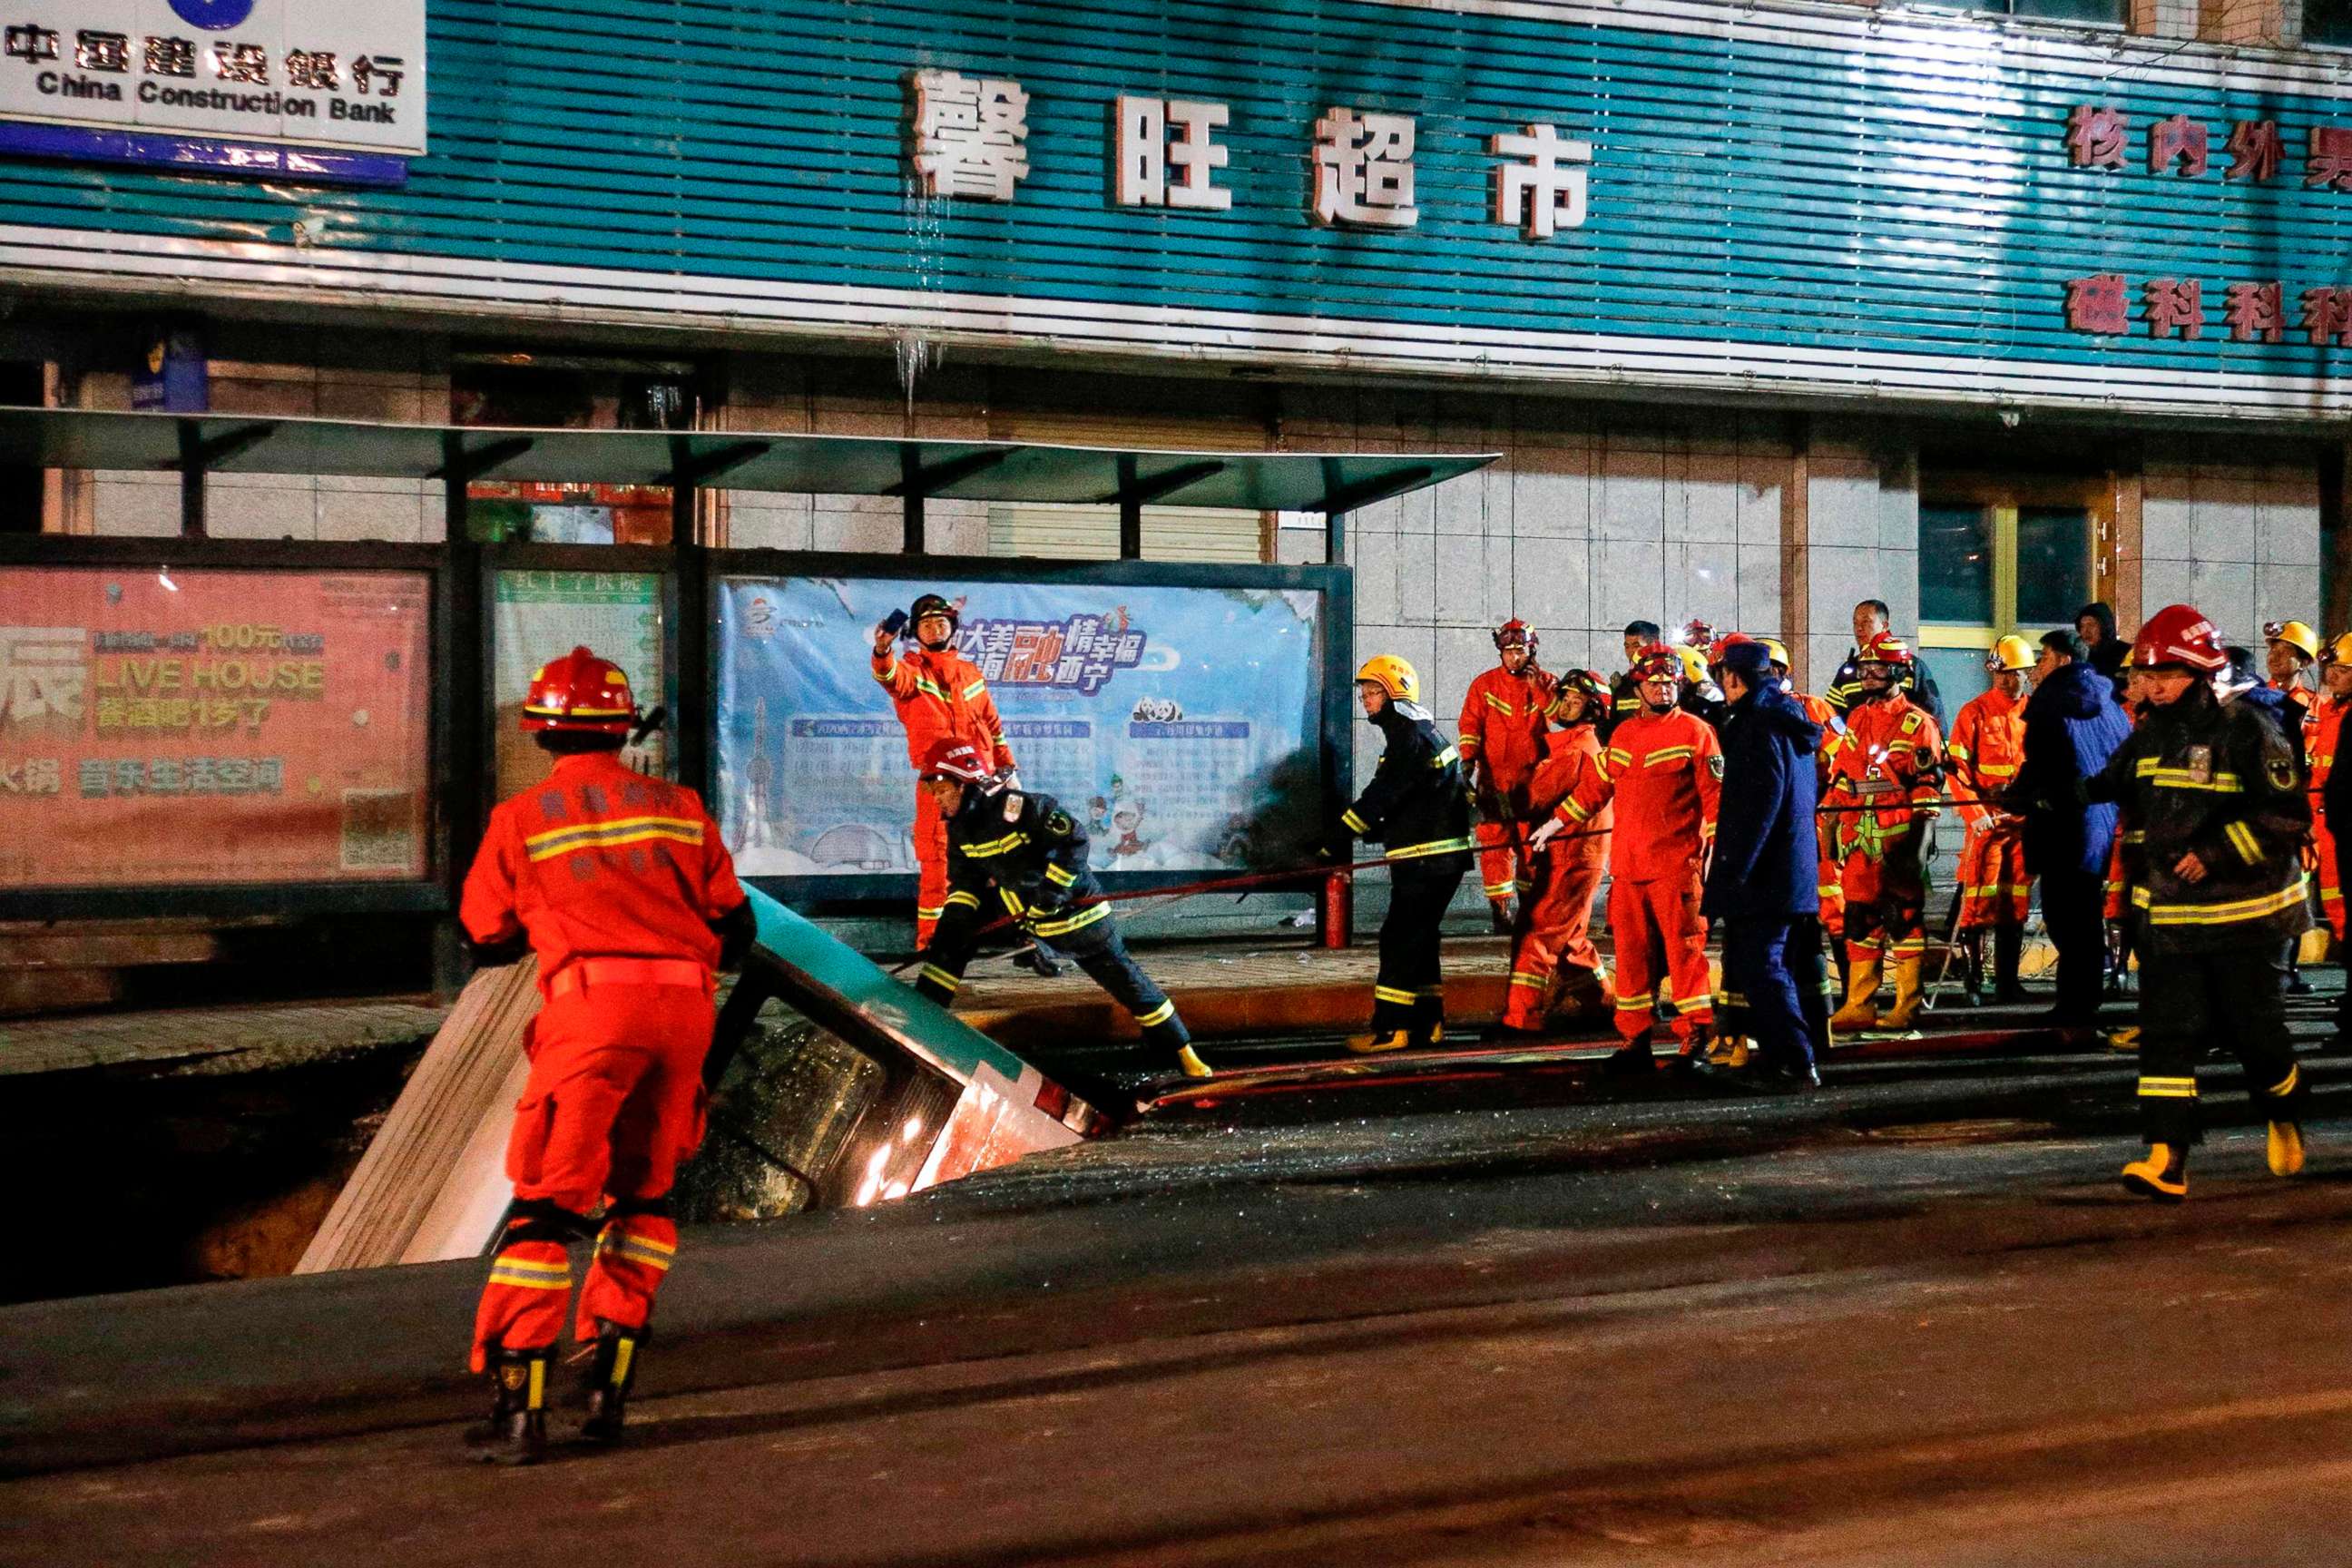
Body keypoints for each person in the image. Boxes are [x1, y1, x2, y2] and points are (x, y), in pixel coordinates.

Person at [459, 647, 753, 1464]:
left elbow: (483, 936)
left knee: (545, 1209)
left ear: (542, 730)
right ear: (624, 728)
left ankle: (519, 1409)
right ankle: (608, 1389)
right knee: (644, 1199)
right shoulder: (680, 806)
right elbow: (737, 931)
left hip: (592, 1013)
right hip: (684, 1009)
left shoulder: (519, 819)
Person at [2071, 604, 2313, 1200]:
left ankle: (2282, 1112)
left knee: (2256, 1036)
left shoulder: (2249, 727)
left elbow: (2287, 814)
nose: (2148, 686)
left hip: (2244, 920)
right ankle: (2167, 1160)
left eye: (2163, 675)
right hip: (2172, 921)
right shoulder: (2152, 732)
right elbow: (2110, 782)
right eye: (2144, 675)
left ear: (2199, 672)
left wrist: (2215, 853)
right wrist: (2045, 796)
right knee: (2167, 1035)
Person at [907, 738, 1208, 1083]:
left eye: (942, 788)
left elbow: (1075, 840)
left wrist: (1052, 892)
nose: (937, 798)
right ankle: (921, 1020)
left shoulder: (1022, 809)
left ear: (966, 781)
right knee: (952, 945)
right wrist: (949, 931)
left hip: (1079, 920)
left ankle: (1183, 1052)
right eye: (933, 790)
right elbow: (966, 884)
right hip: (1029, 917)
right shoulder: (960, 829)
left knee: (1129, 985)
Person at [1534, 642, 1721, 1073]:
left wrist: (1717, 856)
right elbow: (1595, 788)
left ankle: (1696, 1038)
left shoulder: (1696, 732)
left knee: (1685, 957)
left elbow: (1716, 801)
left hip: (1677, 870)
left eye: (1669, 682)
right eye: (1654, 683)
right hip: (1630, 870)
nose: (1662, 690)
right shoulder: (1622, 735)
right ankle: (1634, 1039)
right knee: (1633, 960)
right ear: (1637, 688)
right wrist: (1555, 823)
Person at [1326, 655, 1476, 1053]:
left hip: (1427, 859)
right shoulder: (1414, 733)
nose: (1366, 700)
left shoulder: (1408, 737)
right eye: (1364, 694)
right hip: (1433, 857)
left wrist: (1337, 837)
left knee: (1399, 937)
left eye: (1373, 693)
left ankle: (1391, 1030)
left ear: (1395, 695)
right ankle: (1428, 1024)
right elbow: (1407, 799)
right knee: (1420, 938)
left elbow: (1383, 795)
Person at [871, 593, 1024, 954]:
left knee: (999, 854)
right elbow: (889, 676)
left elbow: (991, 721)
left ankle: (1013, 933)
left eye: (942, 622)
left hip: (982, 779)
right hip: (939, 782)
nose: (935, 628)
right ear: (916, 632)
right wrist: (881, 650)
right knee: (937, 857)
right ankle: (933, 942)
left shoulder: (970, 673)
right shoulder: (911, 670)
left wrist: (1007, 764)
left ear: (952, 628)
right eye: (926, 624)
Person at [1704, 640, 1825, 1091]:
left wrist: (1734, 873)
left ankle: (1795, 1061)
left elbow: (1756, 809)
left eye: (1724, 679)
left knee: (1763, 967)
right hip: (1790, 871)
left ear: (1735, 678)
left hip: (1765, 877)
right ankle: (1788, 1057)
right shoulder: (1789, 723)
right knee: (1772, 965)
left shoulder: (1757, 728)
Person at [1824, 632, 1944, 1032]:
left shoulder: (1918, 723)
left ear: (1899, 671)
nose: (1868, 675)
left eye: (1877, 668)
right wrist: (1831, 824)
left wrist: (1920, 845)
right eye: (1864, 668)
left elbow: (1928, 787)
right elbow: (1843, 775)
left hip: (1898, 836)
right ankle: (1859, 1004)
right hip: (1860, 835)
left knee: (1903, 920)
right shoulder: (1858, 717)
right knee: (1859, 918)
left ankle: (1906, 1006)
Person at [2013, 629, 2131, 1030]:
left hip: (2062, 822)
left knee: (2066, 919)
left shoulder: (2051, 700)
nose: (2036, 668)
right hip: (2101, 821)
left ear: (2063, 660)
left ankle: (2074, 1007)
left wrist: (2016, 796)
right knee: (2085, 916)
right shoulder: (2110, 699)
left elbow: (2041, 760)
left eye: (2042, 658)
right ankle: (2084, 1000)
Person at [1499, 669, 1612, 1034]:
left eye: (1576, 701)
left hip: (1571, 856)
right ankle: (1602, 1003)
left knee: (1539, 933)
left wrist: (1498, 792)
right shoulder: (1571, 746)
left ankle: (1521, 1019)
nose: (1565, 706)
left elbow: (1530, 799)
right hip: (1573, 854)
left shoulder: (1576, 751)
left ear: (1592, 711)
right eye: (1563, 697)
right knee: (1570, 939)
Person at [1945, 635, 2034, 1005]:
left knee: (2015, 904)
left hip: (2023, 823)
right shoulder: (1974, 712)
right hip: (1986, 823)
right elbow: (1956, 771)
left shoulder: (2036, 712)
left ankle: (2008, 982)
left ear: (2026, 673)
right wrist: (1975, 813)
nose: (2004, 680)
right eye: (1999, 673)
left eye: (2012, 673)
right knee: (1977, 903)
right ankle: (1974, 980)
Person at [1457, 619, 1556, 934]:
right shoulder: (1484, 685)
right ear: (1500, 651)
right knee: (1495, 847)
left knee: (1532, 846)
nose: (1515, 657)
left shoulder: (1548, 682)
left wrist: (1537, 687)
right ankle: (1500, 912)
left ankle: (1529, 908)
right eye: (1509, 651)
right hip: (1494, 781)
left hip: (1534, 782)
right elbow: (1471, 725)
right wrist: (1468, 762)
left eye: (1521, 650)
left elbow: (1558, 716)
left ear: (1532, 650)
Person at [2307, 635, 2352, 953]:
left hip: (2340, 815)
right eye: (2331, 668)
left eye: (2341, 669)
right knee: (2331, 889)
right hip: (2320, 811)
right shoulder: (2328, 710)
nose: (2331, 675)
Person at [1826, 599, 1941, 723]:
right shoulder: (1848, 669)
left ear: (1885, 626)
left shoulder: (1910, 665)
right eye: (1855, 623)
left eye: (1866, 621)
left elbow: (1934, 715)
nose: (1859, 628)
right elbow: (1830, 715)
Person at [1605, 620, 1663, 738]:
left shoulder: (1670, 684)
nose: (1631, 652)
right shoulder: (1619, 686)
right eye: (1627, 646)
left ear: (1654, 645)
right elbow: (1610, 728)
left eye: (1637, 646)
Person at [2075, 601, 2129, 694]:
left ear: (2105, 626)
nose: (2086, 631)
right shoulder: (2083, 656)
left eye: (2091, 625)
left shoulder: (2126, 653)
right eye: (2082, 626)